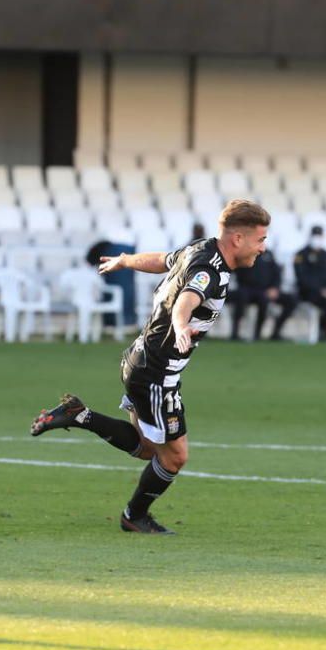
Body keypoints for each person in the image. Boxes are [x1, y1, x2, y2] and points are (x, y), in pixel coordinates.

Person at [30, 200, 270, 534]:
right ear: (238, 239)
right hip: (157, 374)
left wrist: (126, 260)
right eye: (260, 239)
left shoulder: (199, 249)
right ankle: (134, 516)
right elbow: (187, 299)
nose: (263, 247)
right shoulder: (210, 272)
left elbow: (162, 260)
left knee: (147, 448)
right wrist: (182, 325)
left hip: (139, 360)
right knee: (174, 457)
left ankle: (79, 416)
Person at [230, 249, 297, 341]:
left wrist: (274, 287)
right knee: (241, 297)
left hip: (264, 290)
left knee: (289, 300)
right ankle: (235, 333)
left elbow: (276, 273)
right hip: (245, 289)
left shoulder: (268, 254)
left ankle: (268, 333)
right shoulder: (244, 253)